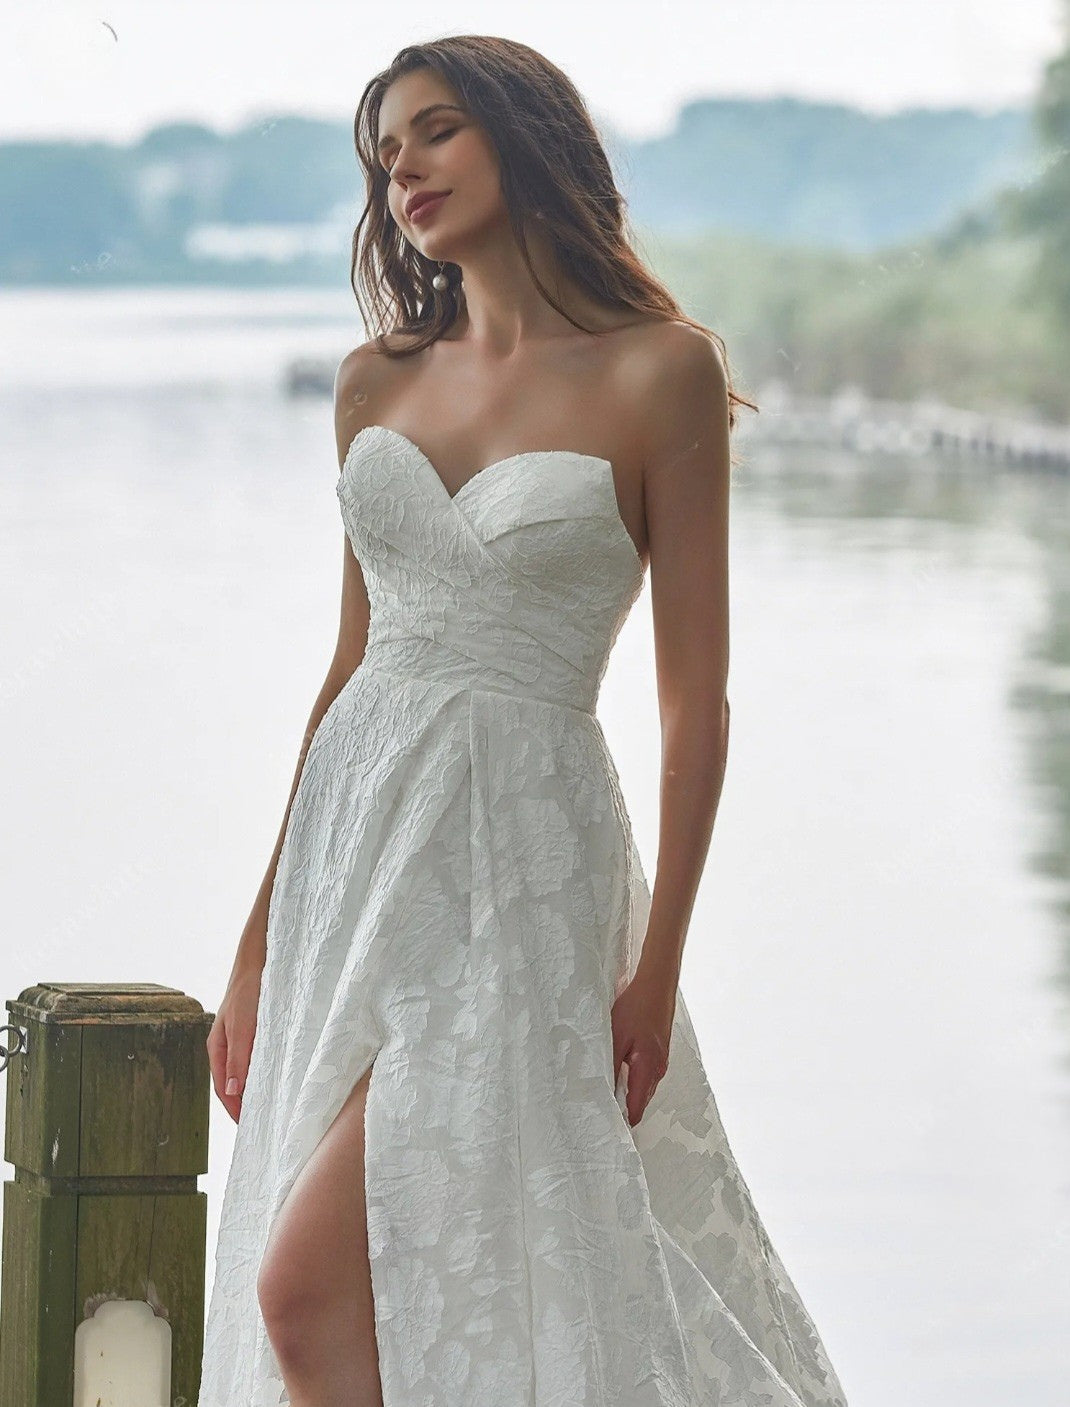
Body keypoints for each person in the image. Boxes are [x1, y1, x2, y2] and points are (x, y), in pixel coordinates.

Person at [199, 33, 849, 1407]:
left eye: (434, 132)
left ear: (523, 138)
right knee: (405, 1275)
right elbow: (347, 661)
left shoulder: (657, 373)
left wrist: (656, 964)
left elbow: (695, 708)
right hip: (355, 848)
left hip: (517, 860)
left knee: (310, 1284)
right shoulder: (373, 380)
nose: (404, 172)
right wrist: (259, 936)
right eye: (385, 152)